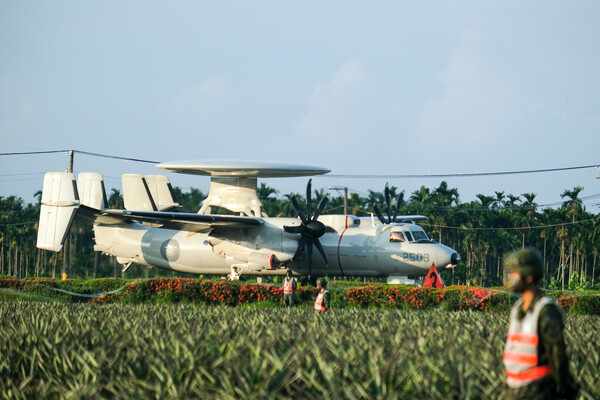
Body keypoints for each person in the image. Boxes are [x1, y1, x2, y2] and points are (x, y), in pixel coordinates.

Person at [502, 248, 578, 400]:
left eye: (515, 274)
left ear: (529, 277)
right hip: (514, 389)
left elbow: (557, 353)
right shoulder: (517, 308)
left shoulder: (545, 309)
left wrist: (561, 390)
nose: (511, 278)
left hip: (537, 390)